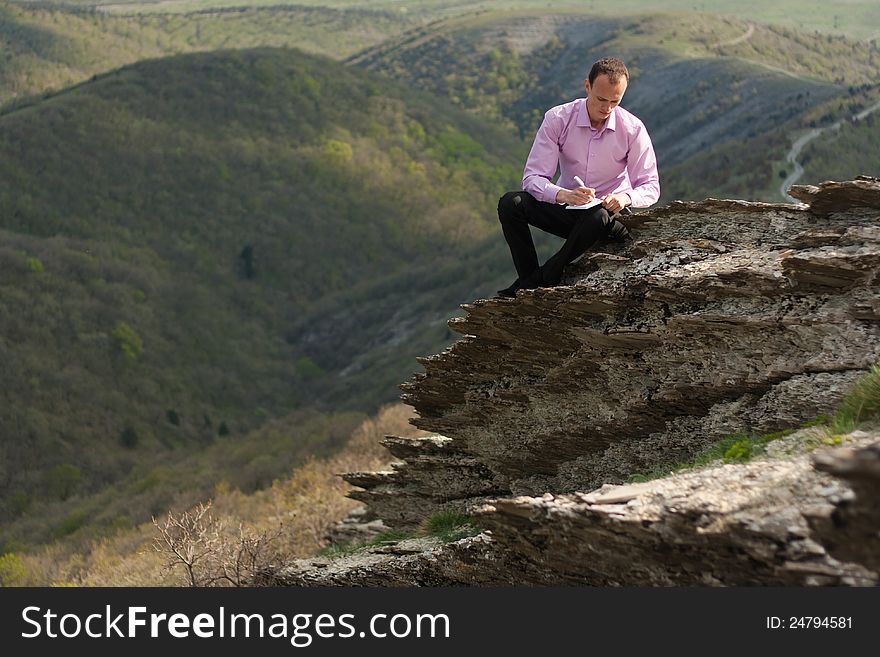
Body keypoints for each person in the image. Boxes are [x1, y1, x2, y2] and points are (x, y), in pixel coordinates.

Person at [496, 57, 660, 298]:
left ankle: (540, 280)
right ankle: (529, 278)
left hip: (608, 219)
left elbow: (651, 186)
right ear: (587, 87)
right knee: (511, 204)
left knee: (599, 214)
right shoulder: (558, 119)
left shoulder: (633, 129)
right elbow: (532, 178)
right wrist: (564, 195)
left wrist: (625, 198)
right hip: (570, 209)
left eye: (615, 101)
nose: (607, 108)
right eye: (601, 99)